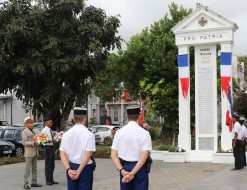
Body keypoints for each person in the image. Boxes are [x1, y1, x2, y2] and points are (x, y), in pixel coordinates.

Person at [111, 105, 152, 190]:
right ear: (139, 115)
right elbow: (144, 156)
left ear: (126, 116)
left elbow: (113, 155)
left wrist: (122, 171)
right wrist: (132, 173)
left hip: (124, 168)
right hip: (140, 168)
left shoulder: (119, 132)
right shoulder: (144, 133)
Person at [60, 107, 96, 190]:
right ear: (84, 118)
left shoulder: (66, 134)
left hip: (71, 167)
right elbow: (88, 155)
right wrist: (79, 171)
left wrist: (69, 170)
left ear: (74, 119)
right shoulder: (89, 134)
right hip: (85, 168)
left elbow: (62, 154)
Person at [22, 117, 42, 189]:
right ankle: (25, 183)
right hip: (29, 153)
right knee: (27, 169)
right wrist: (33, 142)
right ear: (26, 124)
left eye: (32, 122)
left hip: (35, 152)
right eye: (30, 122)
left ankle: (34, 182)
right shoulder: (25, 131)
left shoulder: (33, 130)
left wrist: (39, 141)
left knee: (34, 168)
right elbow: (25, 142)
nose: (32, 124)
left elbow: (34, 139)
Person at [41, 115, 58, 185]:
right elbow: (43, 141)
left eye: (52, 122)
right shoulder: (44, 130)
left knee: (52, 164)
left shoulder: (50, 130)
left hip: (52, 147)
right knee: (48, 165)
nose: (52, 123)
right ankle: (48, 180)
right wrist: (52, 141)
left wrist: (56, 139)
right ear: (46, 123)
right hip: (47, 148)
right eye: (50, 122)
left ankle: (51, 179)